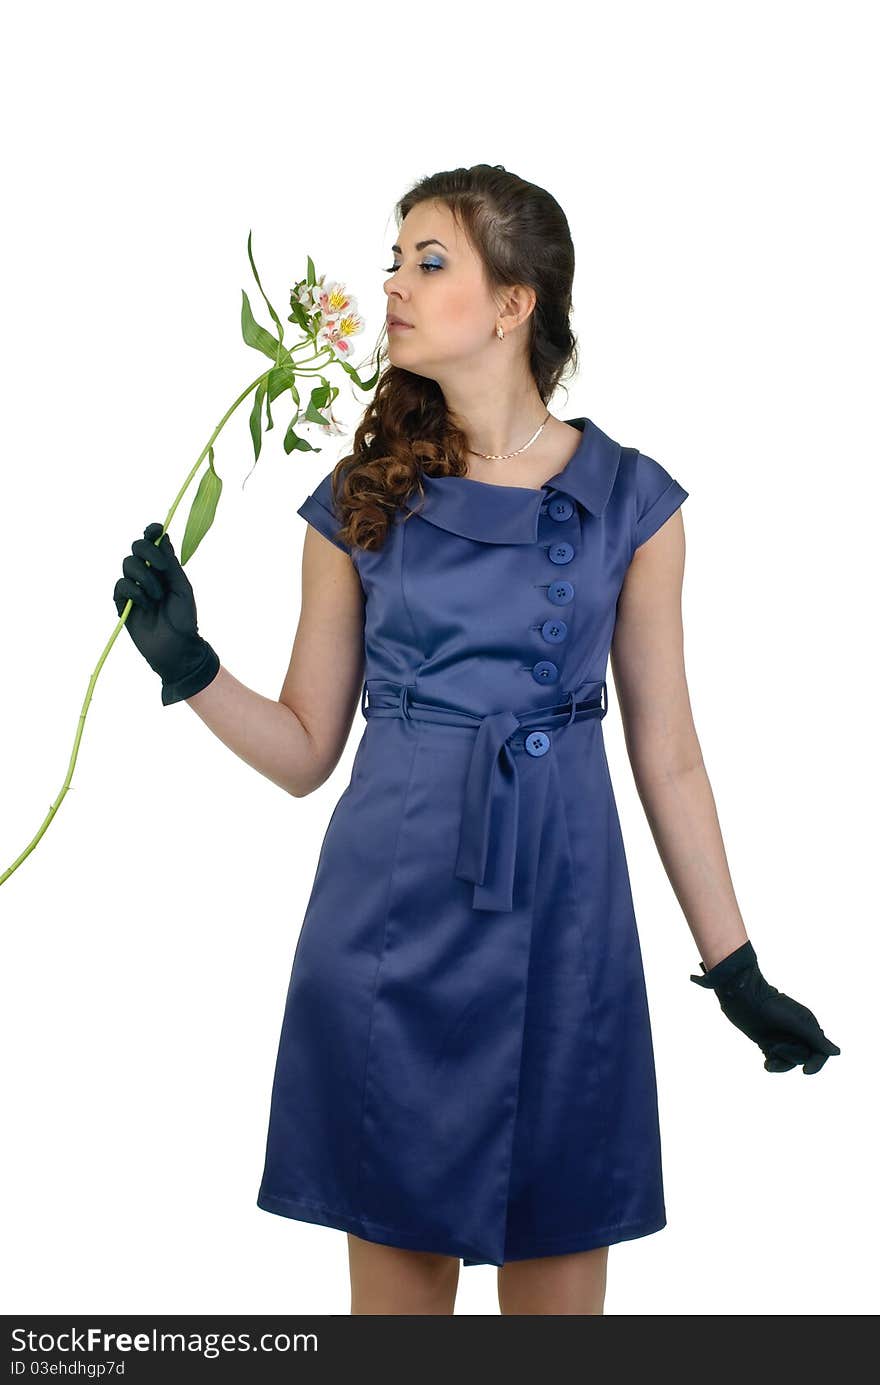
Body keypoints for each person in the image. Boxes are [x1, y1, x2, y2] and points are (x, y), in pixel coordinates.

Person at [113, 164, 840, 1315]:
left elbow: (671, 755)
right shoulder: (358, 499)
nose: (392, 285)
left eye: (428, 261)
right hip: (390, 926)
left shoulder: (632, 501)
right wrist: (189, 666)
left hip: (565, 920)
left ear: (514, 305)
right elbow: (307, 750)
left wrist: (733, 966)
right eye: (393, 259)